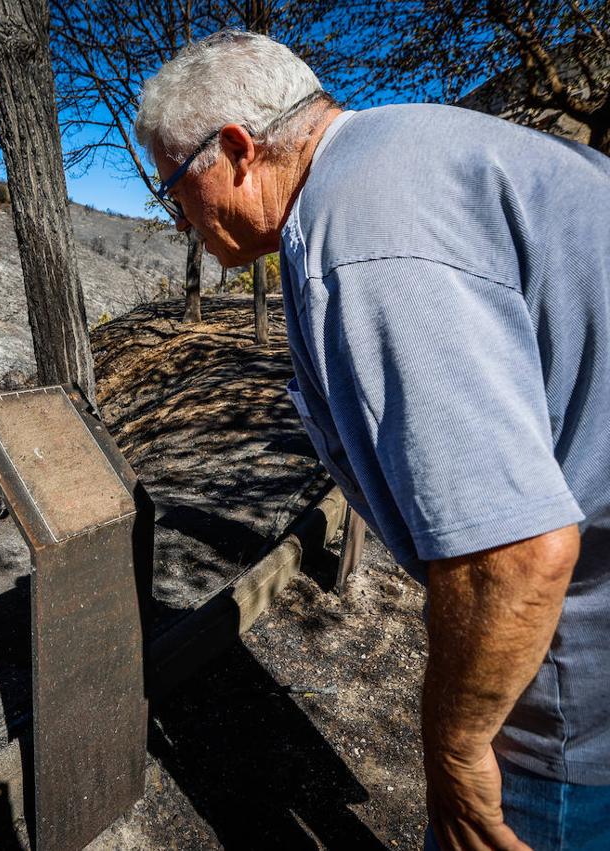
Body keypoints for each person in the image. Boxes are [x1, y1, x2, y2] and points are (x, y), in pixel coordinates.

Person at [133, 29, 610, 851]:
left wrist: (455, 752)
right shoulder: (415, 148)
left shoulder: (360, 236)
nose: (178, 217)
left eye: (174, 188)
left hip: (576, 700)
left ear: (239, 151)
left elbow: (516, 554)